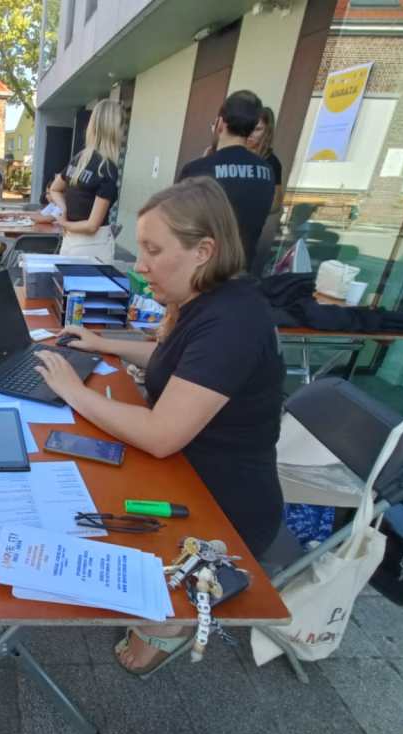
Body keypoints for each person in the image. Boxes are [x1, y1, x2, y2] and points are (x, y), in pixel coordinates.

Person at [32, 177, 285, 676]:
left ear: (203, 252)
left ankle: (171, 621)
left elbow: (161, 435)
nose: (141, 265)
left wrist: (72, 390)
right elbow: (181, 364)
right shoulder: (211, 301)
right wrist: (104, 343)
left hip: (219, 506)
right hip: (186, 474)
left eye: (153, 250)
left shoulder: (232, 323)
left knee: (77, 490)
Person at [177, 90, 274, 272]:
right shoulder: (267, 171)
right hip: (242, 271)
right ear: (252, 128)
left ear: (220, 123)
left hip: (203, 272)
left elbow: (177, 225)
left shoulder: (197, 169)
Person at [48, 99, 123, 264]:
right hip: (93, 246)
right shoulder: (107, 168)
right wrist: (64, 223)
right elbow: (92, 226)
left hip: (69, 242)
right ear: (115, 129)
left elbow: (54, 189)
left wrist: (64, 211)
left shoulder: (79, 159)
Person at [246, 106, 285, 277]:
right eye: (248, 127)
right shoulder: (233, 154)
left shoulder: (271, 162)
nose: (250, 134)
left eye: (257, 129)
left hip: (248, 235)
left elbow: (276, 204)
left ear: (267, 132)